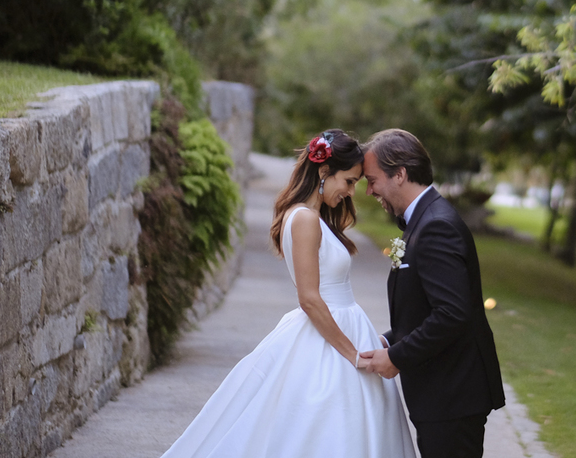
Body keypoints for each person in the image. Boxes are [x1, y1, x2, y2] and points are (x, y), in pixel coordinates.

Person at [160, 129, 414, 458]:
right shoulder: (305, 219)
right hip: (331, 337)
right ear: (324, 172)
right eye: (348, 181)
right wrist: (351, 353)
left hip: (343, 328)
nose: (351, 192)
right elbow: (309, 298)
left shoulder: (314, 217)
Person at [359, 128, 505, 458]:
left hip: (453, 394)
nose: (369, 191)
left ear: (399, 174)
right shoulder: (421, 221)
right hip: (443, 393)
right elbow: (425, 309)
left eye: (372, 180)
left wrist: (396, 357)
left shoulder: (436, 225)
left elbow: (451, 315)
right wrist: (385, 341)